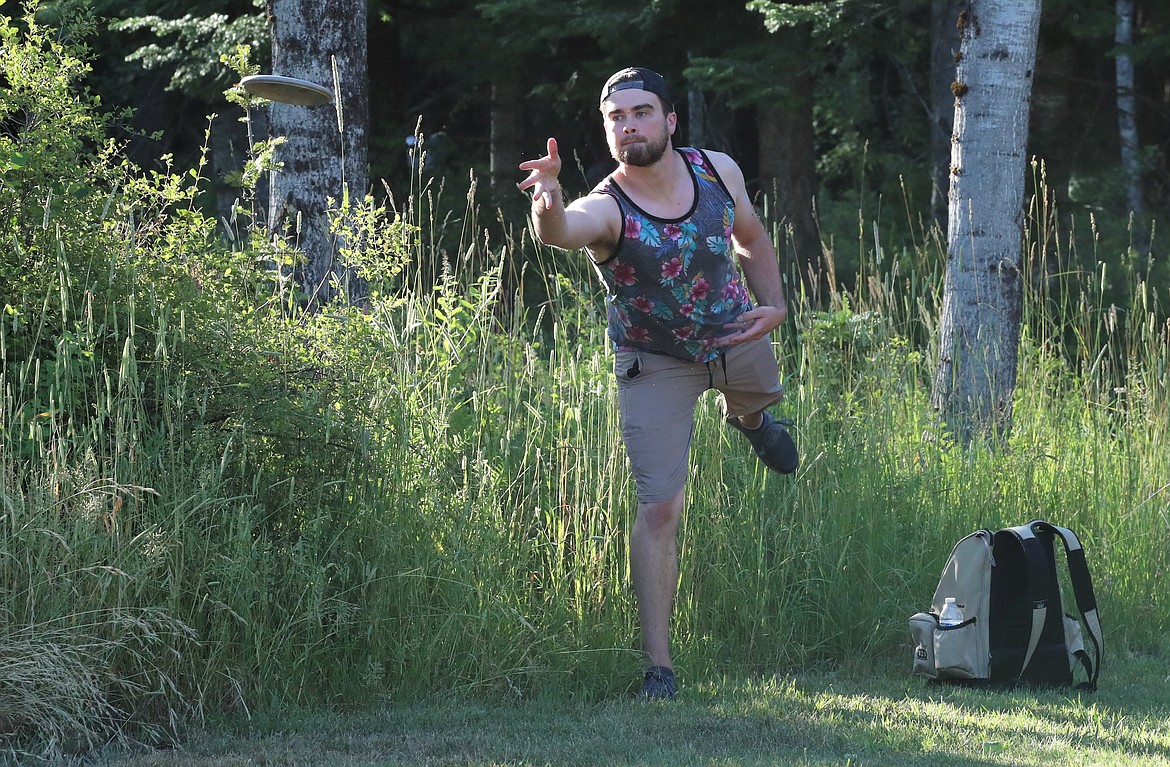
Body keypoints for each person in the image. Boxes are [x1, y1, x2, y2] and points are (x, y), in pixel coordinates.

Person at [518, 67, 798, 700]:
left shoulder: (717, 170)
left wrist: (774, 306)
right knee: (660, 506)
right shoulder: (606, 206)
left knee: (756, 404)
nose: (628, 126)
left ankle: (749, 421)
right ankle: (659, 667)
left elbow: (749, 236)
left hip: (734, 334)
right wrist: (549, 203)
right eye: (616, 117)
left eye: (641, 113)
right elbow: (564, 233)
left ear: (670, 121)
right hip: (655, 360)